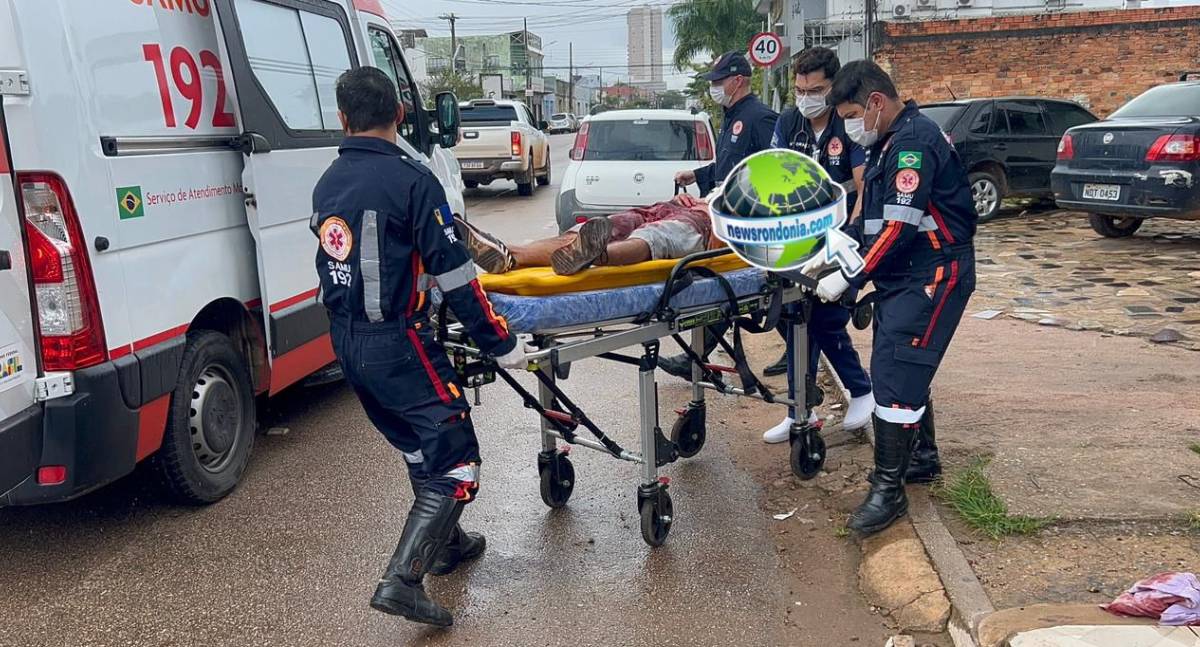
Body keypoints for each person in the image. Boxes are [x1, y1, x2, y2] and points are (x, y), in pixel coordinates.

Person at [311, 67, 525, 627]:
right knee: (456, 460)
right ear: (401, 115)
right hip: (397, 343)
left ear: (342, 118)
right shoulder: (413, 179)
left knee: (415, 444)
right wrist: (499, 342)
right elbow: (456, 278)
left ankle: (447, 546)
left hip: (346, 340)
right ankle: (401, 582)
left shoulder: (328, 181)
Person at [811, 60, 977, 535]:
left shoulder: (912, 143)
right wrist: (844, 256)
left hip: (932, 273)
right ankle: (920, 456)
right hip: (904, 275)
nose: (847, 126)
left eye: (850, 114)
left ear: (877, 103)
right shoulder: (890, 140)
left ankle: (889, 490)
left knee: (893, 372)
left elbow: (901, 225)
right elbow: (874, 220)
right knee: (906, 364)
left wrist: (854, 275)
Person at [760, 47, 874, 444]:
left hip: (841, 238)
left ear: (833, 86)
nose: (806, 97)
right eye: (799, 89)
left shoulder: (848, 122)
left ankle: (861, 390)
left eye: (815, 89)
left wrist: (853, 236)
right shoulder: (791, 121)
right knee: (795, 323)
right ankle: (798, 411)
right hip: (799, 240)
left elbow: (863, 187)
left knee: (826, 321)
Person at [660, 50, 778, 378]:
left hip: (746, 220)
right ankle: (698, 358)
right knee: (732, 291)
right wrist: (697, 176)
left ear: (737, 80)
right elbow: (727, 168)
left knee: (724, 289)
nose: (714, 88)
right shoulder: (732, 116)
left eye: (718, 81)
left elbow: (774, 169)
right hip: (724, 215)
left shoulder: (759, 118)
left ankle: (695, 359)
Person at [456, 193, 717, 275]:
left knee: (656, 236)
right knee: (608, 225)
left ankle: (598, 256)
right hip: (676, 205)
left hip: (708, 221)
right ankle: (510, 253)